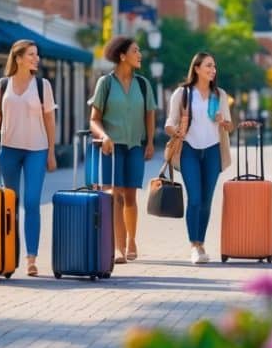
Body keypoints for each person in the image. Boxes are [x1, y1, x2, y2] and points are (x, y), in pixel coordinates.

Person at [0, 39, 57, 277]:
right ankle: (8, 255)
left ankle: (31, 258)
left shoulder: (43, 85)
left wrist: (52, 152)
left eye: (37, 55)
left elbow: (49, 121)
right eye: (31, 55)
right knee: (9, 206)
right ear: (18, 58)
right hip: (9, 150)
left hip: (37, 150)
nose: (36, 59)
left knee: (32, 202)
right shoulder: (3, 85)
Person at [88, 36, 156, 264]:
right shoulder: (105, 84)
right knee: (114, 195)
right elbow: (94, 120)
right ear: (122, 55)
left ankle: (131, 240)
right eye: (136, 51)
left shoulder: (143, 84)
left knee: (130, 196)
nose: (140, 55)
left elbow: (150, 114)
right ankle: (118, 247)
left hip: (135, 145)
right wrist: (104, 136)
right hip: (111, 148)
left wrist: (150, 142)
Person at [164, 52, 233, 264]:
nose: (213, 70)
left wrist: (223, 122)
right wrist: (175, 130)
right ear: (196, 68)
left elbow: (230, 126)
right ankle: (194, 246)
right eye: (208, 66)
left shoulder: (219, 94)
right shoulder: (182, 93)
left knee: (206, 200)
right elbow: (169, 123)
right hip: (189, 149)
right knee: (194, 198)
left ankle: (201, 243)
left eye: (214, 66)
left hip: (212, 149)